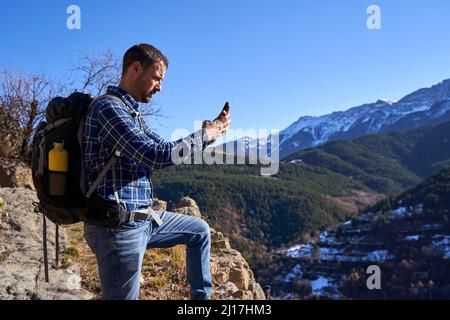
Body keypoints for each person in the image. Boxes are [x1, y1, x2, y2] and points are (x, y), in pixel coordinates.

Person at [82, 43, 230, 300]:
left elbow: (163, 147)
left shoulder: (131, 113)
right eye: (157, 78)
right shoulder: (108, 110)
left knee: (200, 231)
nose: (160, 87)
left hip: (143, 220)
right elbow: (156, 157)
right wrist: (206, 134)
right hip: (117, 228)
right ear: (136, 68)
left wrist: (207, 133)